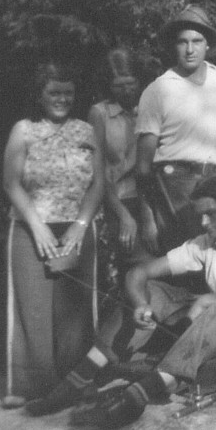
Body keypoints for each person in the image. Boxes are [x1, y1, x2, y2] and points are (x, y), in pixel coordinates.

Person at [25, 174, 216, 430]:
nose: (204, 222)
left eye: (211, 213)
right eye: (200, 216)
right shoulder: (205, 243)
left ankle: (137, 397)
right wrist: (141, 303)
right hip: (212, 339)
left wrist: (208, 300)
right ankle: (79, 380)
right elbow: (138, 274)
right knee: (153, 291)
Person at [2, 61, 105, 406]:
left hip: (76, 230)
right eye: (54, 92)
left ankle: (75, 385)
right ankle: (31, 388)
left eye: (68, 93)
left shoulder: (87, 131)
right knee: (33, 310)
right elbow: (11, 183)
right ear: (40, 94)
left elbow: (98, 184)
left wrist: (80, 226)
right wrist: (37, 226)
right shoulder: (24, 130)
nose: (62, 99)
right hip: (30, 229)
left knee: (74, 314)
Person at [136, 5, 216, 256]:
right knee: (187, 262)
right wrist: (147, 219)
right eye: (183, 42)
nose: (190, 50)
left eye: (197, 41)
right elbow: (143, 168)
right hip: (176, 186)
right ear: (173, 46)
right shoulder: (158, 90)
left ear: (207, 44)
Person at [88, 48, 151, 278]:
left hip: (152, 202)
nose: (127, 90)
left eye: (131, 83)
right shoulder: (100, 113)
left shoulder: (148, 108)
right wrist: (124, 216)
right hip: (120, 201)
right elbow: (99, 170)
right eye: (119, 85)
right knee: (136, 267)